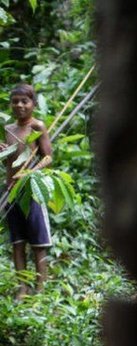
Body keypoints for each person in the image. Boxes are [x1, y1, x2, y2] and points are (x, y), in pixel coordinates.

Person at [1, 83, 53, 299]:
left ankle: (40, 289)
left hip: (32, 191)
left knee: (38, 242)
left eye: (25, 101)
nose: (20, 105)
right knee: (17, 242)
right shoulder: (8, 129)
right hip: (11, 189)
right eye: (15, 101)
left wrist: (30, 173)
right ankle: (23, 288)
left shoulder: (37, 126)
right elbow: (9, 161)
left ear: (33, 104)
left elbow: (48, 157)